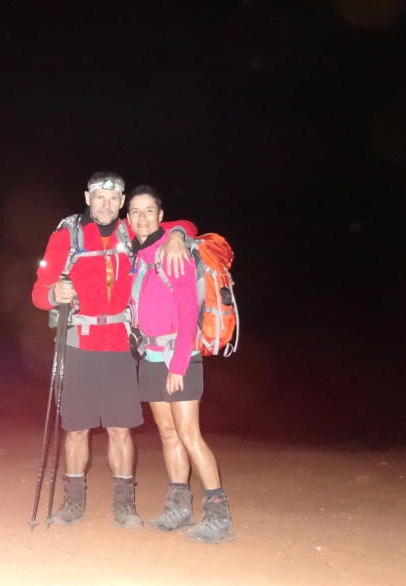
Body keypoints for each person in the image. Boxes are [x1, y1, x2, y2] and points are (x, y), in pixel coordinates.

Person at [31, 172, 195, 529]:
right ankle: (73, 503)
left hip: (120, 345)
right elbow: (37, 292)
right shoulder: (65, 237)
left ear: (122, 202)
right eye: (99, 197)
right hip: (78, 343)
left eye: (113, 198)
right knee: (76, 428)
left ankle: (125, 506)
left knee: (121, 428)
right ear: (88, 197)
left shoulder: (129, 230)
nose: (106, 204)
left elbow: (183, 223)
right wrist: (51, 296)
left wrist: (178, 235)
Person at [126, 185, 235, 544]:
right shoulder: (138, 256)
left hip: (180, 357)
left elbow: (189, 311)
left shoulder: (172, 253)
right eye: (135, 212)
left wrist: (177, 365)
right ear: (129, 219)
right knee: (168, 434)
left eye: (148, 211)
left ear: (160, 216)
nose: (142, 218)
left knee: (189, 434)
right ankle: (179, 508)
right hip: (151, 356)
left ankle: (219, 516)